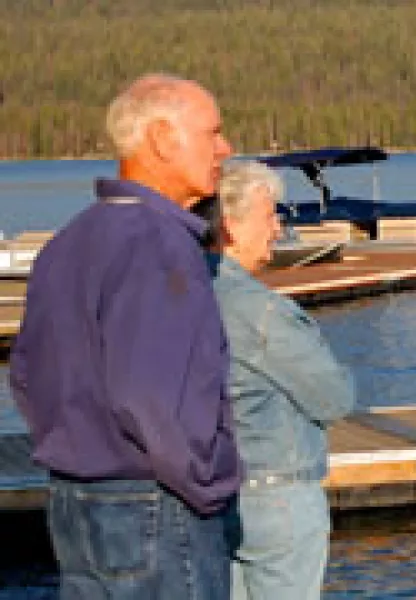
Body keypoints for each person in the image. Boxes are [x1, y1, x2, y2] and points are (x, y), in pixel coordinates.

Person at [9, 73, 242, 599]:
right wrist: (208, 485)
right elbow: (154, 396)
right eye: (213, 132)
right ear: (161, 139)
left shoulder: (68, 241)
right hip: (155, 508)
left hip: (74, 502)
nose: (225, 149)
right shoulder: (159, 244)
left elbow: (26, 375)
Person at [211, 160, 356, 600]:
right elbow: (334, 398)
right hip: (276, 498)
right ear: (231, 225)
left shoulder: (183, 291)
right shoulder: (261, 311)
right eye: (270, 215)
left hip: (212, 494)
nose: (278, 228)